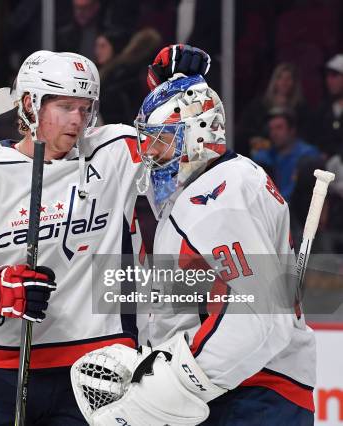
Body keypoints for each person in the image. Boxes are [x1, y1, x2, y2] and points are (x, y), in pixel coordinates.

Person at [0, 46, 210, 424]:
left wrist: (176, 89)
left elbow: (188, 150)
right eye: (64, 107)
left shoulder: (115, 151)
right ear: (29, 104)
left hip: (101, 365)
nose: (78, 119)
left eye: (85, 108)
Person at [72, 73, 316, 425]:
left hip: (251, 391)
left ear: (199, 135)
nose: (151, 153)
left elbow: (255, 317)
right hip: (238, 387)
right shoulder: (218, 184)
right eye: (149, 141)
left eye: (162, 141)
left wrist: (163, 391)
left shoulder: (217, 195)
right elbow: (209, 291)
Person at [251, 108, 320, 201]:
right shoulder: (265, 156)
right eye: (271, 129)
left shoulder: (308, 154)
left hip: (300, 209)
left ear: (292, 130)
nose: (274, 133)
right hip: (274, 209)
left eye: (279, 128)